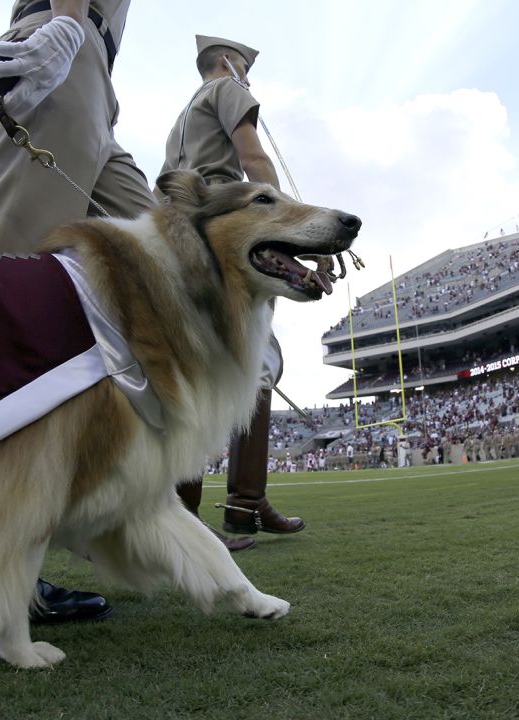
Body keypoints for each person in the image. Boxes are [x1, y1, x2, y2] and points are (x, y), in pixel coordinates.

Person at [0, 0, 152, 625]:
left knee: (160, 250)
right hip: (65, 43)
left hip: (96, 78)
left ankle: (119, 513)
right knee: (1, 291)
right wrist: (71, 26)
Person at [158, 35, 305, 537]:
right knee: (255, 365)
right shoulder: (227, 89)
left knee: (199, 366)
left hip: (184, 237)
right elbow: (254, 160)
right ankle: (239, 504)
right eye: (245, 68)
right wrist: (293, 228)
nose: (249, 79)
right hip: (230, 235)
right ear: (227, 63)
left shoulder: (183, 116)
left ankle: (198, 511)